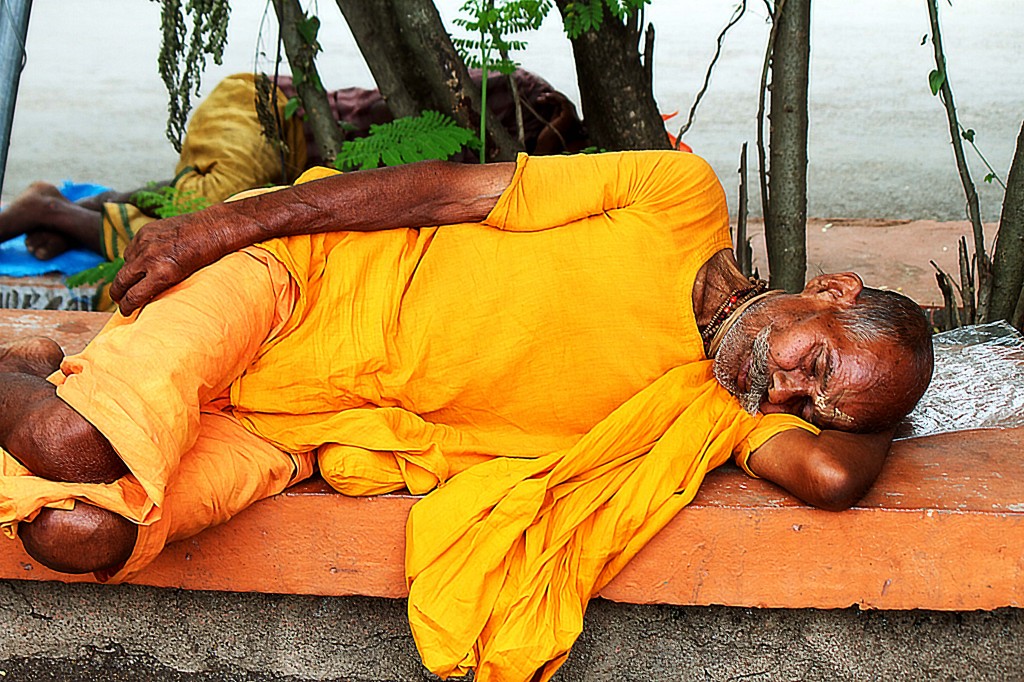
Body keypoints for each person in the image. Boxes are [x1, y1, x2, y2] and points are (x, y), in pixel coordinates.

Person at [0, 150, 933, 681]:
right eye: (814, 362)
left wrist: (870, 397)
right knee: (71, 442)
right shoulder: (677, 202)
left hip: (299, 431)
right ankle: (54, 388)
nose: (787, 392)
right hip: (292, 287)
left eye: (814, 405)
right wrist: (226, 225)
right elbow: (441, 189)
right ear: (831, 289)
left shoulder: (713, 408)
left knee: (79, 535)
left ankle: (43, 367)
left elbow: (831, 476)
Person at [0, 69, 587, 263]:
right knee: (208, 220)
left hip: (282, 137)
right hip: (267, 111)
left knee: (201, 190)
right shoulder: (534, 107)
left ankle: (72, 209)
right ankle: (43, 209)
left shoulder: (522, 101)